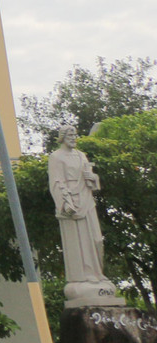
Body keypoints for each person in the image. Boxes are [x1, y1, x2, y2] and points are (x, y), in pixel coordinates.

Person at [48, 127, 123, 306]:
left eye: (75, 135)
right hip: (71, 202)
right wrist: (65, 202)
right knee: (78, 241)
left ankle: (97, 275)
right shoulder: (56, 157)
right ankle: (82, 278)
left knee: (96, 240)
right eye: (70, 135)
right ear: (62, 138)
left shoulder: (81, 155)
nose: (73, 138)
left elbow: (91, 181)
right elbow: (56, 181)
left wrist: (92, 177)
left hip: (86, 199)